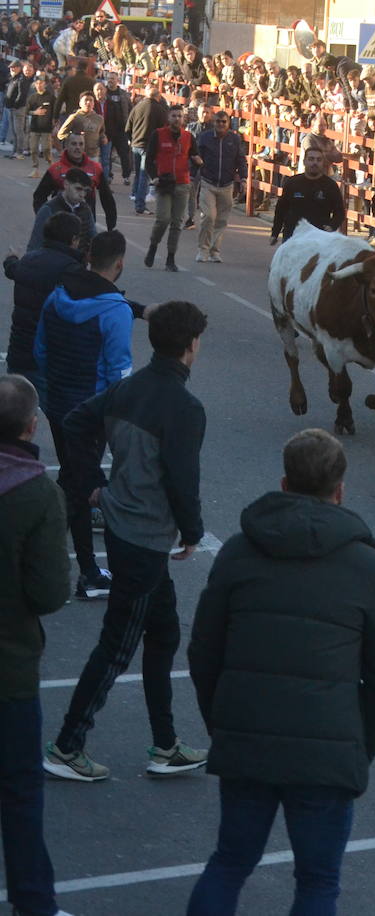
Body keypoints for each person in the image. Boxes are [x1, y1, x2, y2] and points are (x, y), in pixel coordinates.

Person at [186, 428, 375, 915]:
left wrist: (224, 724)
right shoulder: (371, 567)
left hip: (248, 738)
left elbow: (203, 651)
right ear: (340, 489)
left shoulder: (238, 552)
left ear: (284, 484)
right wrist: (357, 748)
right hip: (327, 753)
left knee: (229, 863)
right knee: (318, 882)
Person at [44, 300, 209, 783]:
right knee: (117, 647)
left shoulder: (127, 388)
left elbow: (75, 423)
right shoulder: (185, 407)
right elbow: (183, 478)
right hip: (144, 537)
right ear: (190, 346)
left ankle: (165, 744)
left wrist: (93, 482)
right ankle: (67, 745)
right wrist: (193, 532)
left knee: (163, 634)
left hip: (122, 529)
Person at [0, 374, 76, 916]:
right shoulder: (37, 491)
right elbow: (49, 593)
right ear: (31, 426)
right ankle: (34, 906)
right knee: (21, 797)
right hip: (9, 674)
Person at [33, 230, 140, 602]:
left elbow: (40, 351)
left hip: (58, 404)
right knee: (83, 489)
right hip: (92, 413)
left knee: (71, 477)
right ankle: (88, 573)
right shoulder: (115, 311)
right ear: (120, 263)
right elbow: (119, 373)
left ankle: (43, 550)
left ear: (88, 257)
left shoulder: (56, 297)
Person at [5, 210, 84, 404]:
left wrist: (10, 258)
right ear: (73, 240)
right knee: (61, 416)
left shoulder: (29, 260)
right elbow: (100, 298)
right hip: (48, 358)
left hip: (18, 354)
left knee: (13, 416)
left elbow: (11, 269)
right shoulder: (71, 269)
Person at [145, 105, 199, 272]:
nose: (177, 119)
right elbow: (149, 160)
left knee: (177, 223)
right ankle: (153, 245)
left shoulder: (189, 136)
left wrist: (197, 166)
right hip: (164, 183)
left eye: (180, 116)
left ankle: (170, 258)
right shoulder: (158, 135)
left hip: (182, 183)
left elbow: (195, 156)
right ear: (168, 118)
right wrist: (154, 176)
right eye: (174, 116)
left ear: (184, 119)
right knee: (163, 219)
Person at [32, 131, 119, 235]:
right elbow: (39, 196)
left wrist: (111, 226)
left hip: (86, 226)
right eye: (74, 144)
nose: (77, 147)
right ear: (66, 145)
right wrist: (46, 219)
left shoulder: (96, 169)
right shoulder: (55, 169)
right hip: (59, 229)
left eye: (81, 144)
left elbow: (107, 198)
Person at [194, 107, 247, 263]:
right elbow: (196, 157)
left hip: (227, 184)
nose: (221, 124)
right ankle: (202, 250)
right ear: (214, 122)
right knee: (209, 217)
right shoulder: (205, 138)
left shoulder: (235, 139)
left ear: (229, 123)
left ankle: (214, 251)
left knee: (221, 220)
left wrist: (243, 178)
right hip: (208, 183)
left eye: (224, 122)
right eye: (218, 121)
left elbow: (241, 160)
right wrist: (192, 175)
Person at [270, 147, 345, 244]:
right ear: (304, 161)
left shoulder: (330, 186)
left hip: (319, 237)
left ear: (323, 163)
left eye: (319, 160)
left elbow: (340, 212)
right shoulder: (292, 182)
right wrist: (275, 233)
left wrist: (332, 226)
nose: (315, 163)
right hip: (293, 236)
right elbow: (281, 210)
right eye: (311, 159)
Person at [125, 79, 168, 215]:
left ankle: (135, 194)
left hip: (135, 143)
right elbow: (163, 130)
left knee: (138, 173)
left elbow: (128, 127)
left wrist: (131, 140)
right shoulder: (160, 110)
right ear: (158, 97)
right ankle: (140, 205)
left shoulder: (137, 107)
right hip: (148, 146)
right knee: (144, 175)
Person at [28, 167, 95, 254]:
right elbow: (35, 245)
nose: (82, 194)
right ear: (66, 184)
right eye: (78, 189)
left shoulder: (86, 210)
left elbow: (93, 238)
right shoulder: (49, 209)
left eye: (86, 191)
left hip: (78, 265)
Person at [24, 74, 55, 179]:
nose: (39, 85)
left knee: (46, 149)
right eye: (37, 83)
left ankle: (51, 166)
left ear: (45, 84)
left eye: (41, 83)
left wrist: (56, 122)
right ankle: (35, 169)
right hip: (34, 127)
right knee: (33, 149)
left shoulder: (51, 97)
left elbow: (56, 110)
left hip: (47, 128)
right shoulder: (32, 98)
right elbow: (26, 111)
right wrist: (35, 112)